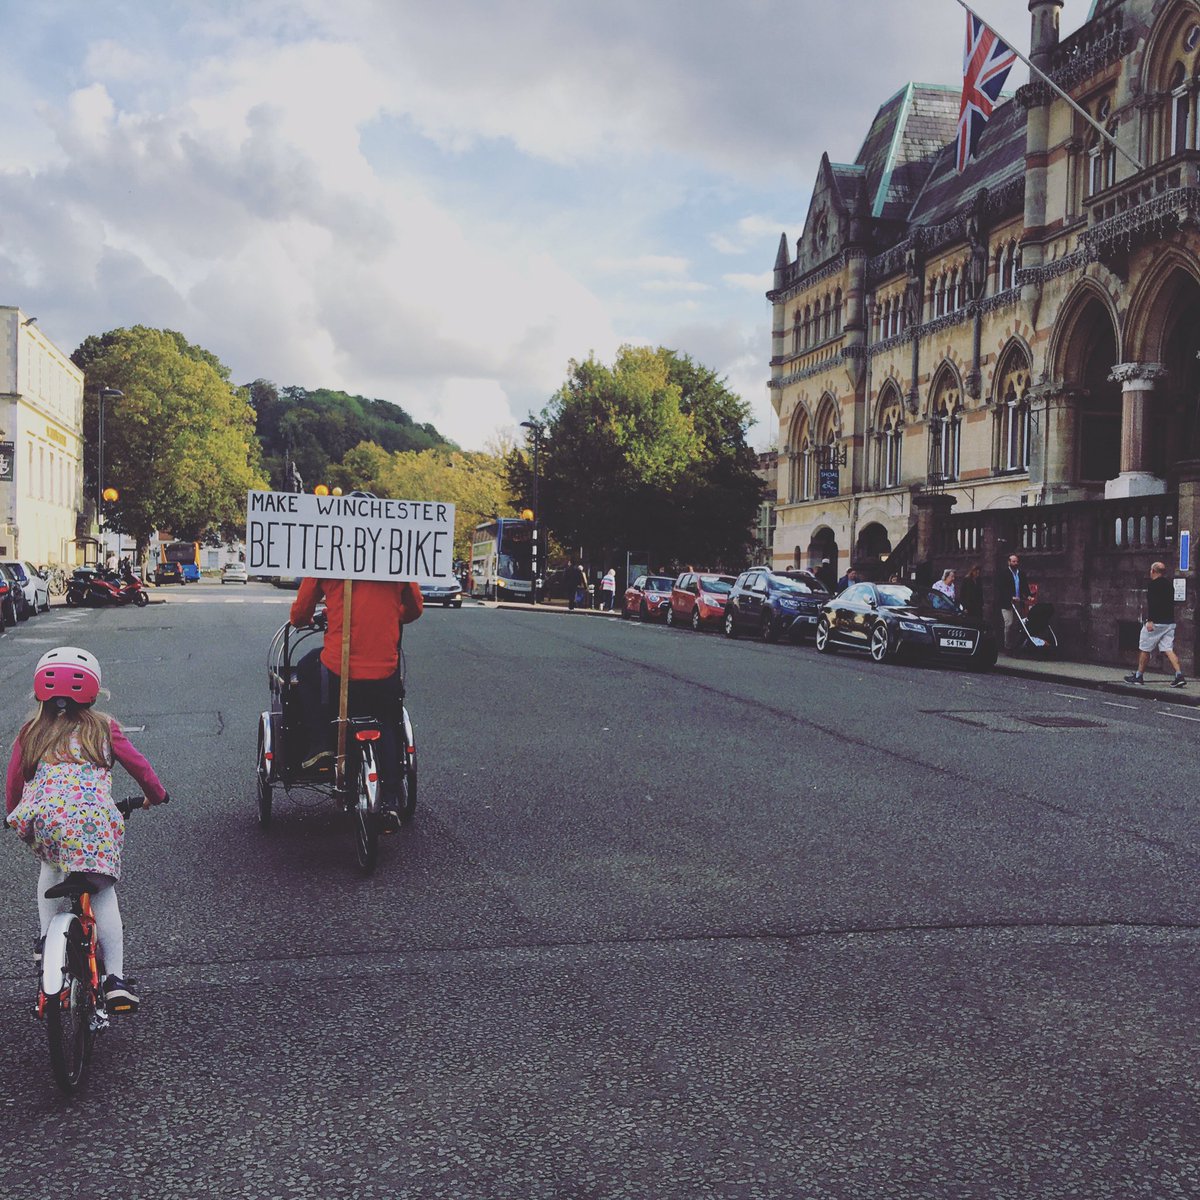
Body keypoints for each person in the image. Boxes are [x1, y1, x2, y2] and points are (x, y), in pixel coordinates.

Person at [5, 647, 168, 1014]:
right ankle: (115, 980)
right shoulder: (103, 727)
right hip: (92, 821)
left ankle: (47, 941)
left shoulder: (31, 731)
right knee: (102, 891)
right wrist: (155, 796)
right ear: (92, 691)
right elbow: (140, 767)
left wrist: (13, 812)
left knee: (50, 866)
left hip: (46, 820)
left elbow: (14, 781)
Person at [289, 570, 424, 823]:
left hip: (340, 669)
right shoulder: (397, 564)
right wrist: (391, 615)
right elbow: (415, 608)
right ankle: (391, 799)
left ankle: (321, 744)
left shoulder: (325, 561)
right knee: (386, 719)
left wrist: (318, 616)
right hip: (385, 668)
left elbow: (299, 615)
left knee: (307, 668)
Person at [1124, 561, 1187, 688]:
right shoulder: (1169, 585)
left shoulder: (1152, 585)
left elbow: (1153, 603)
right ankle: (1179, 675)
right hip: (1169, 622)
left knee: (1145, 648)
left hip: (1156, 622)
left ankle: (1138, 676)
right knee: (1168, 648)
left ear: (1153, 571)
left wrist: (1150, 620)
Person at [995, 553, 1031, 652]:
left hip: (1018, 602)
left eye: (1017, 561)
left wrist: (1028, 596)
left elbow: (1024, 586)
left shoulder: (1021, 573)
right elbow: (1002, 589)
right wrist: (1011, 597)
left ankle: (1016, 645)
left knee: (1017, 624)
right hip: (1007, 603)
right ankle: (1007, 645)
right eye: (1013, 561)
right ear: (1009, 562)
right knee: (1009, 623)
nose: (1015, 563)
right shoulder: (1004, 573)